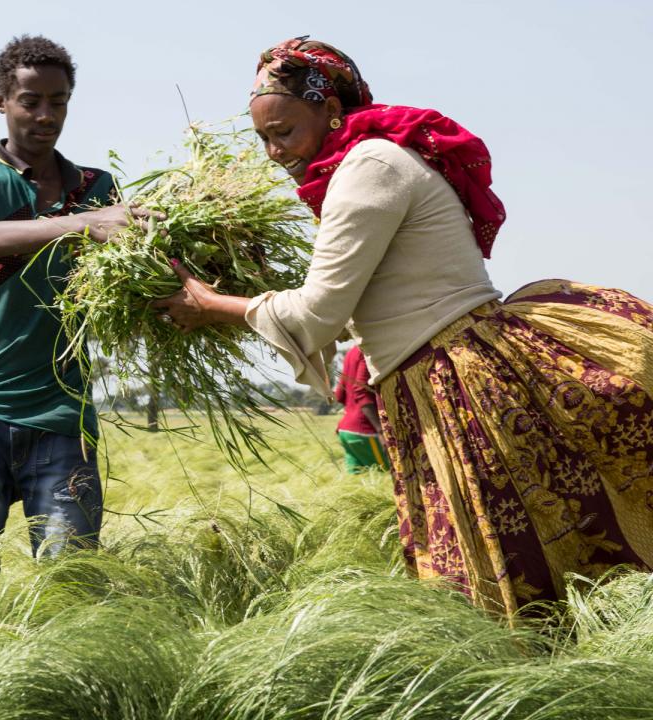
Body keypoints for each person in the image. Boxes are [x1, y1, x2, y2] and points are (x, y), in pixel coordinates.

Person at [152, 37, 653, 616]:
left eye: (283, 132)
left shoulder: (368, 168)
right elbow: (363, 305)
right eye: (262, 137)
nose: (272, 151)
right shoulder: (368, 161)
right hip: (431, 374)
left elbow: (318, 313)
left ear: (331, 110)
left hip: (460, 379)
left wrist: (209, 302)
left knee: (499, 574)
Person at [0, 35, 152, 556]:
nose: (45, 115)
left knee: (69, 580)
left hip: (61, 414)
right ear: (1, 102)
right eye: (30, 101)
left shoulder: (97, 187)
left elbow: (130, 275)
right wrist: (86, 224)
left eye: (58, 102)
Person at [333, 343, 388, 473]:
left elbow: (340, 395)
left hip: (345, 432)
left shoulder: (351, 352)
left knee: (358, 485)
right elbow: (361, 391)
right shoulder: (366, 349)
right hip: (366, 431)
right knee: (386, 476)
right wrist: (381, 431)